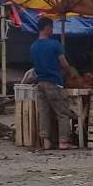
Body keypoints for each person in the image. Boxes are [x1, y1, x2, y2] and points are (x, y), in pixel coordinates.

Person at [30, 16, 76, 150]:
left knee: (44, 113)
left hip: (40, 84)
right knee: (62, 113)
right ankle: (63, 142)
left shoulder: (33, 46)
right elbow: (64, 63)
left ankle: (46, 143)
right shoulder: (54, 44)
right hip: (53, 83)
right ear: (47, 27)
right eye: (51, 27)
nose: (52, 30)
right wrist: (70, 72)